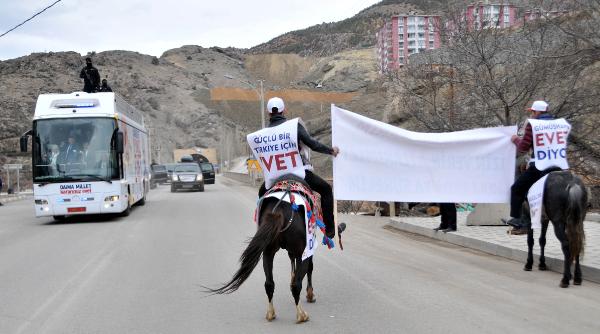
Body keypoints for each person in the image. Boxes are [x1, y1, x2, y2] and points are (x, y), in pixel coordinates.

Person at [257, 97, 340, 239]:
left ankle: (261, 230)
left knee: (261, 194)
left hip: (274, 177)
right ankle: (330, 230)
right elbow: (312, 144)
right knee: (326, 189)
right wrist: (330, 150)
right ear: (284, 111)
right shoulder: (293, 126)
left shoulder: (261, 135)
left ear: (268, 113)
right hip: (299, 173)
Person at [506, 100, 569, 234]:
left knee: (517, 189)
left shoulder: (533, 125)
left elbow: (523, 148)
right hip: (559, 165)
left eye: (533, 112)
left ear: (538, 112)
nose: (532, 114)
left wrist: (515, 139)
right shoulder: (559, 124)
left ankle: (520, 222)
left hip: (540, 166)